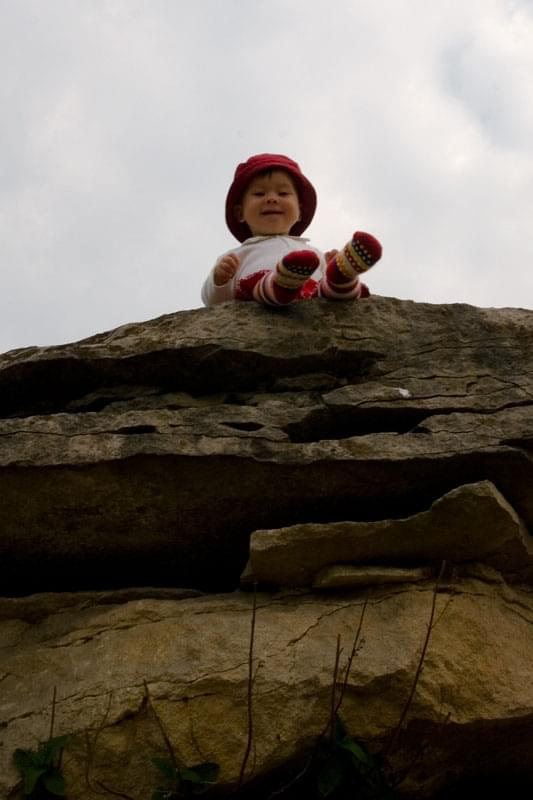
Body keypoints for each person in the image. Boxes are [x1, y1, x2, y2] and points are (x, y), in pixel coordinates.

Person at [201, 153, 382, 307]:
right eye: (259, 194)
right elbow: (213, 302)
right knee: (256, 285)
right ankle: (280, 286)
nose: (271, 198)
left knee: (330, 289)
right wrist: (219, 279)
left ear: (300, 212)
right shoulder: (237, 256)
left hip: (313, 296)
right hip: (262, 294)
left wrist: (328, 265)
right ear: (240, 213)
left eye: (283, 193)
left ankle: (341, 275)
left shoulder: (312, 254)